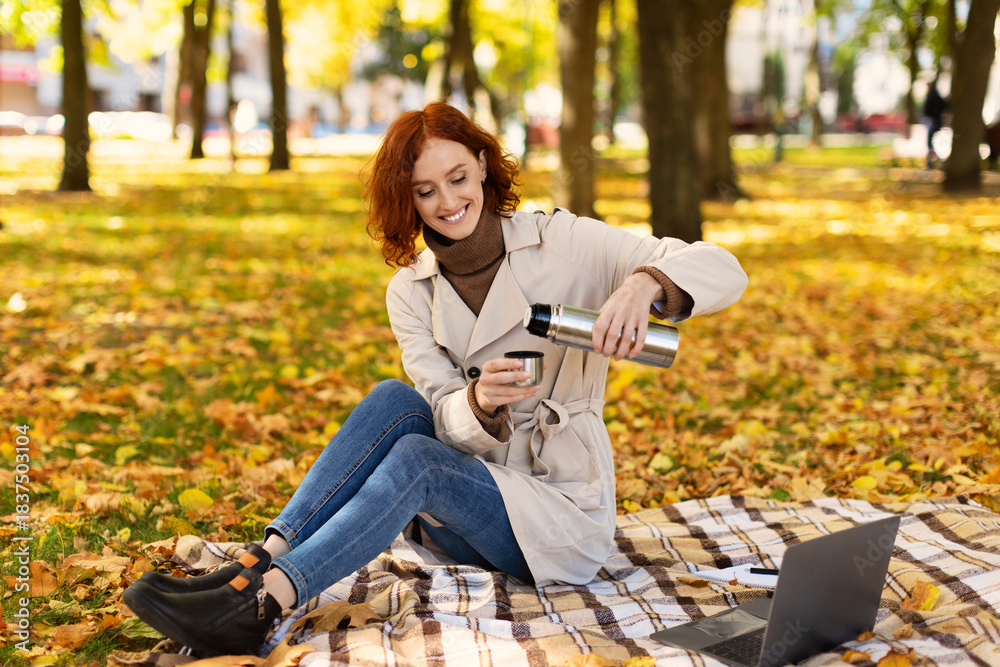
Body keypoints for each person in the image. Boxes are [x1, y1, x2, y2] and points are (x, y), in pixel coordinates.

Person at [123, 101, 748, 657]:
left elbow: (722, 266)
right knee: (395, 400)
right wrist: (476, 402)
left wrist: (645, 283)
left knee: (420, 459)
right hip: (463, 512)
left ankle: (264, 604)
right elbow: (440, 407)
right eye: (426, 191)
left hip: (556, 514)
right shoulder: (410, 291)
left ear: (482, 165)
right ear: (407, 199)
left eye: (457, 178)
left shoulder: (561, 240)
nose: (448, 203)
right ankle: (252, 569)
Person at [923, 77, 948, 170]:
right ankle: (933, 160)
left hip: (933, 121)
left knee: (931, 142)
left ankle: (932, 161)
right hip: (934, 121)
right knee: (931, 142)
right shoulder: (934, 95)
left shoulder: (933, 95)